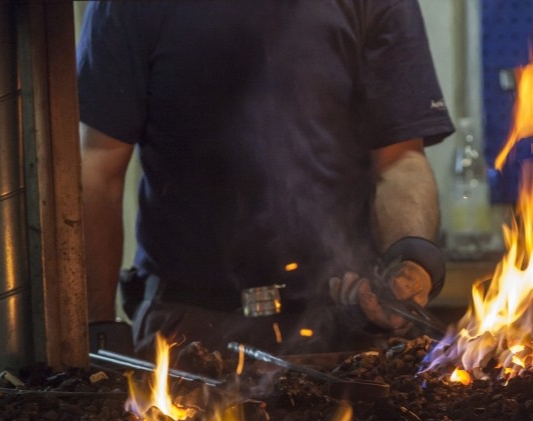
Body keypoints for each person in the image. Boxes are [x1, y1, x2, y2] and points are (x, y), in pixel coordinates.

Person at [77, 0, 454, 359]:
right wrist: (96, 329)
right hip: (185, 329)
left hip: (341, 325)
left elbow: (400, 161)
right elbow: (99, 171)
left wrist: (411, 261)